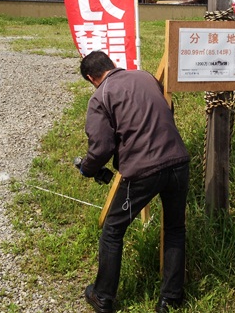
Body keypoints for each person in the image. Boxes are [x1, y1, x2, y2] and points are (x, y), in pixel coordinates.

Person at [78, 50, 190, 313]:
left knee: (113, 230)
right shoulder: (145, 76)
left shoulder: (100, 96)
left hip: (142, 172)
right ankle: (171, 299)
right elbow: (167, 108)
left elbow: (101, 147)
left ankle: (103, 296)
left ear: (91, 77)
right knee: (175, 228)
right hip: (178, 161)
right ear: (112, 64)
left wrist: (87, 168)